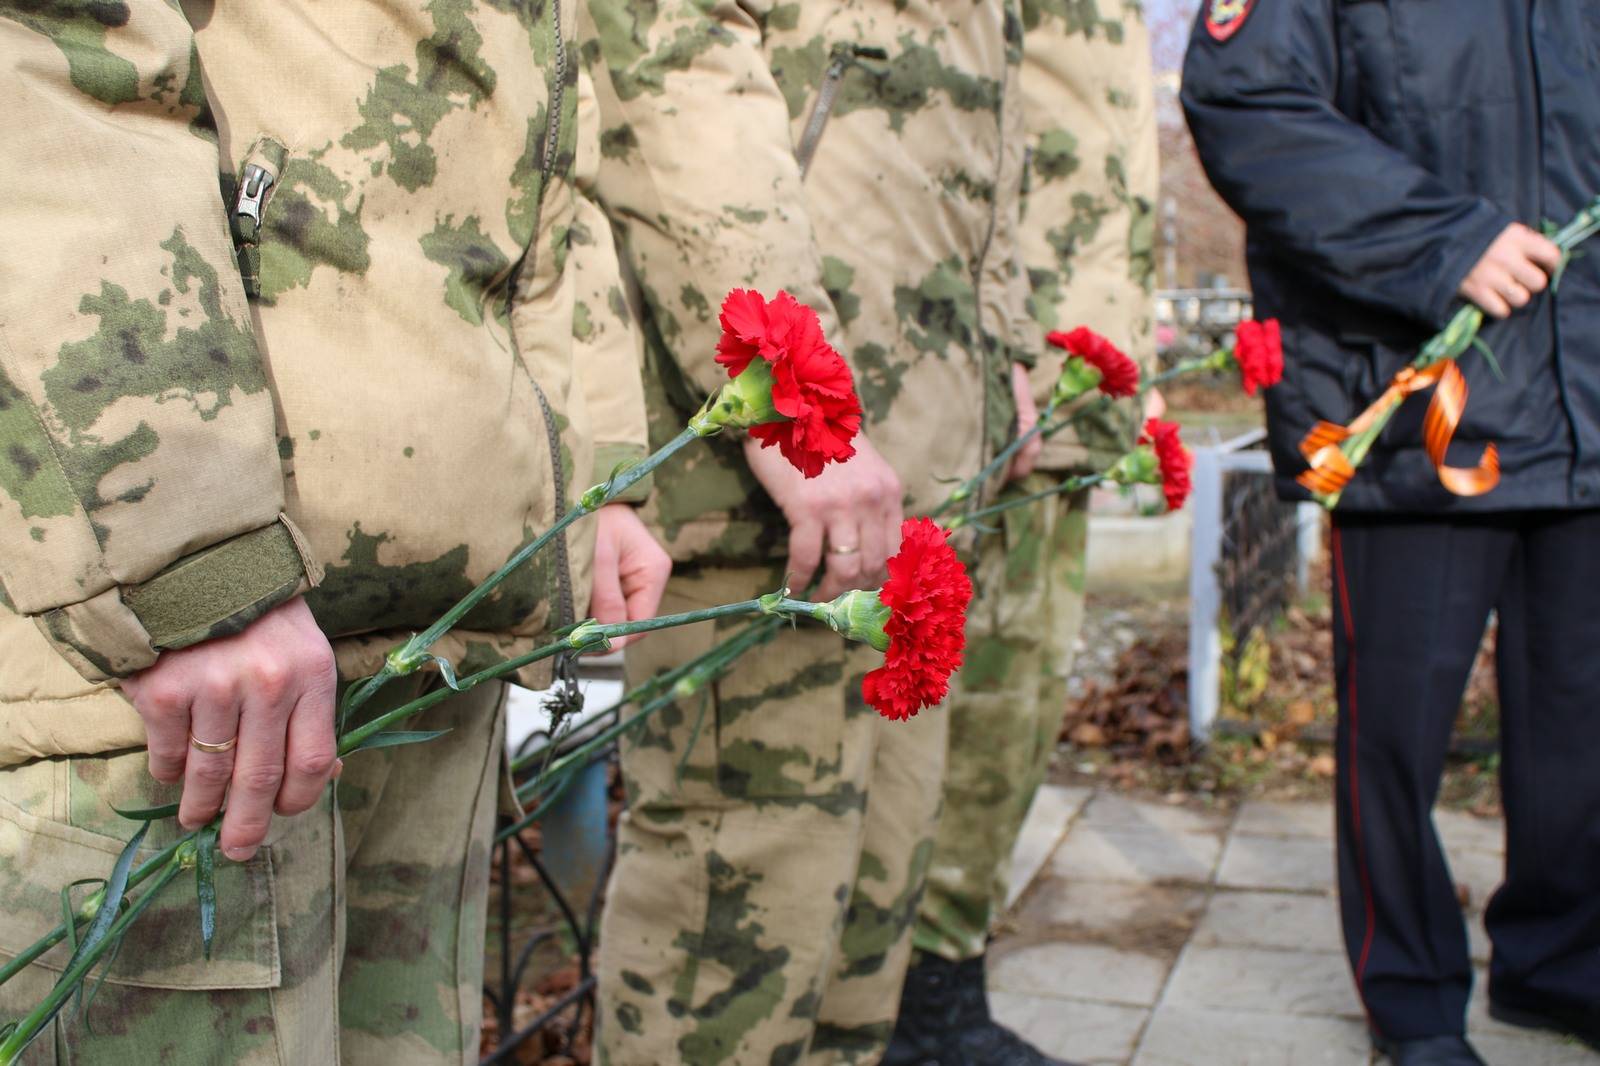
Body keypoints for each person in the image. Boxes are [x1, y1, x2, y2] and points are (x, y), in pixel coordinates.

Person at [0, 2, 667, 1061]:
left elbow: (541, 149)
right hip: (170, 651)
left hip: (425, 643)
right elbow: (44, 68)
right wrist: (193, 557)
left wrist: (603, 478)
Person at [579, 1, 1042, 1061]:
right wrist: (794, 405)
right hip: (771, 486)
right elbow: (672, 66)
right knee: (735, 935)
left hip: (913, 480)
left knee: (860, 948)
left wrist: (1001, 335)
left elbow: (979, 118)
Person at [1183, 3, 1600, 1063]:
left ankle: (1555, 963)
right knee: (1396, 737)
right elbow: (1248, 101)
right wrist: (1444, 240)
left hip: (1590, 397)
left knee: (1579, 727)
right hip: (1420, 400)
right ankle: (1412, 1003)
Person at [888, 2, 1160, 1062]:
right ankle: (897, 995)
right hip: (980, 363)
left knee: (1014, 704)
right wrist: (990, 327)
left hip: (1066, 379)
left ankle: (942, 983)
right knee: (931, 698)